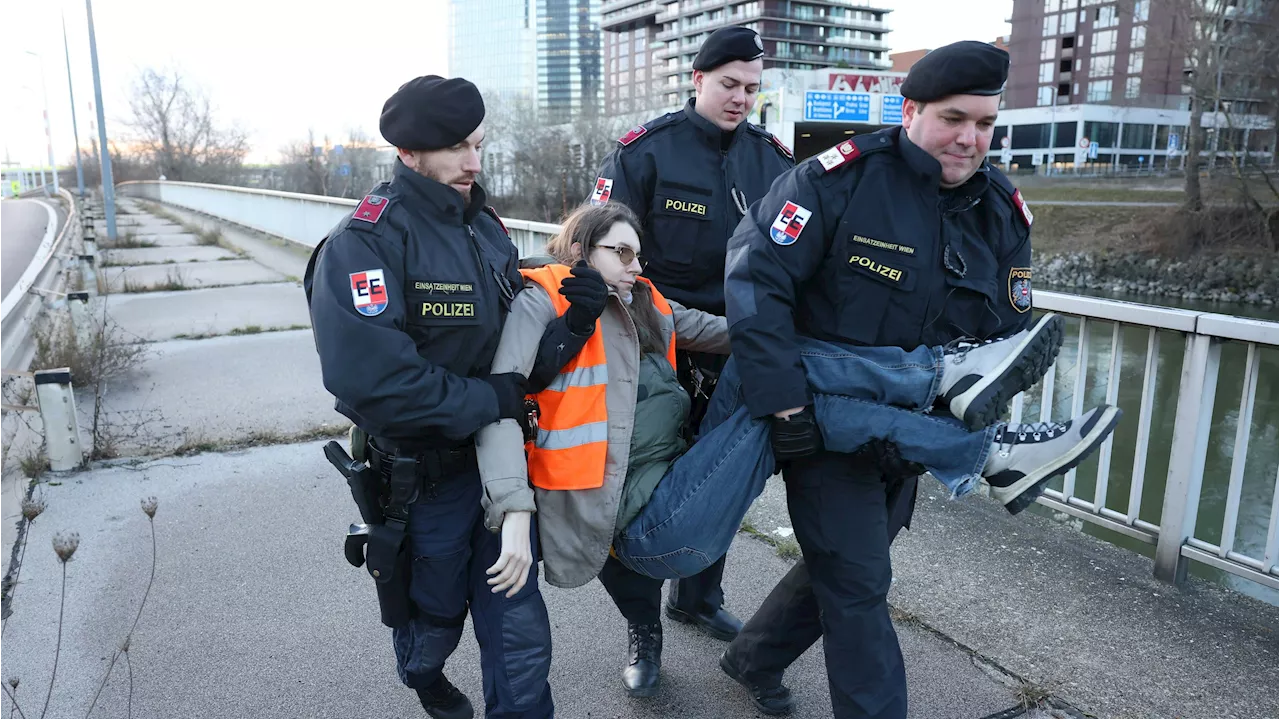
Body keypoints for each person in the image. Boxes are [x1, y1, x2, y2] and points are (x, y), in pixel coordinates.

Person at [473, 203, 1119, 703]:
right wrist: (513, 515)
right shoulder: (544, 299)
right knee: (773, 397)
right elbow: (500, 408)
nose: (635, 265)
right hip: (647, 525)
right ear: (582, 248)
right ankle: (956, 401)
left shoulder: (649, 306)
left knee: (774, 359)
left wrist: (788, 321)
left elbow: (739, 333)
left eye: (639, 253)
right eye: (621, 253)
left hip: (683, 478)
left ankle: (972, 427)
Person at [719, 41, 1122, 719]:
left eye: (985, 124)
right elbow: (756, 288)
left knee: (852, 560)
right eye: (953, 119)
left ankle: (753, 656)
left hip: (916, 428)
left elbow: (1001, 340)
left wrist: (942, 421)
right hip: (821, 421)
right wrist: (785, 409)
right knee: (858, 580)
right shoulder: (835, 181)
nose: (969, 139)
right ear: (911, 110)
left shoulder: (1001, 210)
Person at [303, 76, 604, 719]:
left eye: (478, 144)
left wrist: (572, 325)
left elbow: (513, 366)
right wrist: (489, 400)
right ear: (409, 154)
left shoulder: (486, 228)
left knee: (520, 637)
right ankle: (422, 675)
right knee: (431, 622)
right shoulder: (367, 243)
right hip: (425, 486)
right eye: (456, 149)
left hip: (502, 476)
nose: (474, 162)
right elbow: (376, 386)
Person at [586, 24, 794, 692]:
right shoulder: (645, 153)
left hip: (735, 353)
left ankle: (699, 597)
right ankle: (643, 631)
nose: (740, 98)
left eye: (752, 89)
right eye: (729, 84)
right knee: (631, 499)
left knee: (723, 481)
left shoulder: (772, 160)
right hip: (655, 353)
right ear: (697, 80)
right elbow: (599, 250)